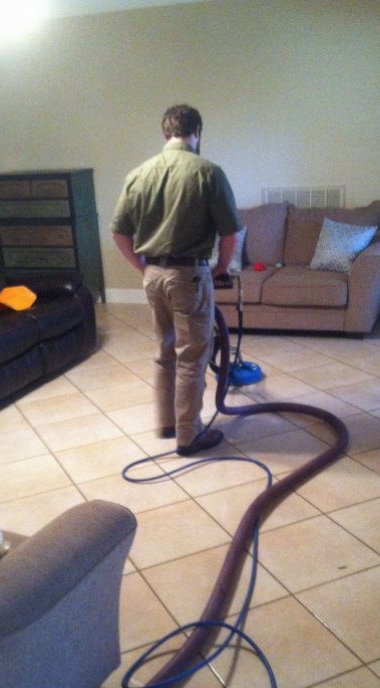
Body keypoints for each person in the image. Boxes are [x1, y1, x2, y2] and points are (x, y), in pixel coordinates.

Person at [111, 104, 243, 456]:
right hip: (189, 276)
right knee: (192, 356)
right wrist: (220, 268)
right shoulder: (208, 172)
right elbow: (231, 235)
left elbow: (119, 234)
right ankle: (189, 436)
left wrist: (143, 269)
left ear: (165, 133)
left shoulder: (138, 174)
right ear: (197, 132)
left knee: (164, 350)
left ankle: (167, 423)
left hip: (153, 276)